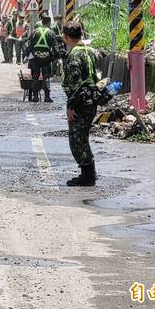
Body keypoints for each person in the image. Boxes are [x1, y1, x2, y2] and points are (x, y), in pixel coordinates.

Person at [62, 20, 99, 187]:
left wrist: (71, 106)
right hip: (90, 100)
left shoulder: (75, 54)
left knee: (77, 140)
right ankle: (89, 173)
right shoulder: (88, 51)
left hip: (81, 102)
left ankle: (88, 175)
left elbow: (75, 83)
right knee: (82, 138)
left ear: (66, 37)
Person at [25, 15, 56, 103]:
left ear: (41, 22)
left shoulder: (34, 32)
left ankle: (35, 97)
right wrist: (56, 57)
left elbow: (29, 44)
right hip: (46, 58)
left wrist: (27, 55)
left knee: (35, 76)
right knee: (46, 77)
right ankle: (47, 97)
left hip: (35, 57)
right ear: (49, 22)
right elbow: (55, 47)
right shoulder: (51, 33)